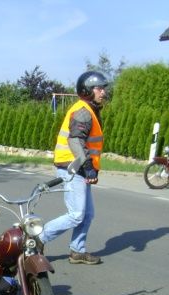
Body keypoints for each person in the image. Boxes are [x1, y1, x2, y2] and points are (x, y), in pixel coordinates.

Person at [37, 71, 108, 265]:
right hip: (72, 167)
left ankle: (77, 251)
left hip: (79, 167)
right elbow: (75, 140)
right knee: (76, 215)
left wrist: (90, 168)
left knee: (87, 214)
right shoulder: (83, 111)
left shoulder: (90, 109)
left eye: (104, 88)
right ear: (87, 90)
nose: (103, 92)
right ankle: (38, 237)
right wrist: (88, 167)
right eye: (99, 88)